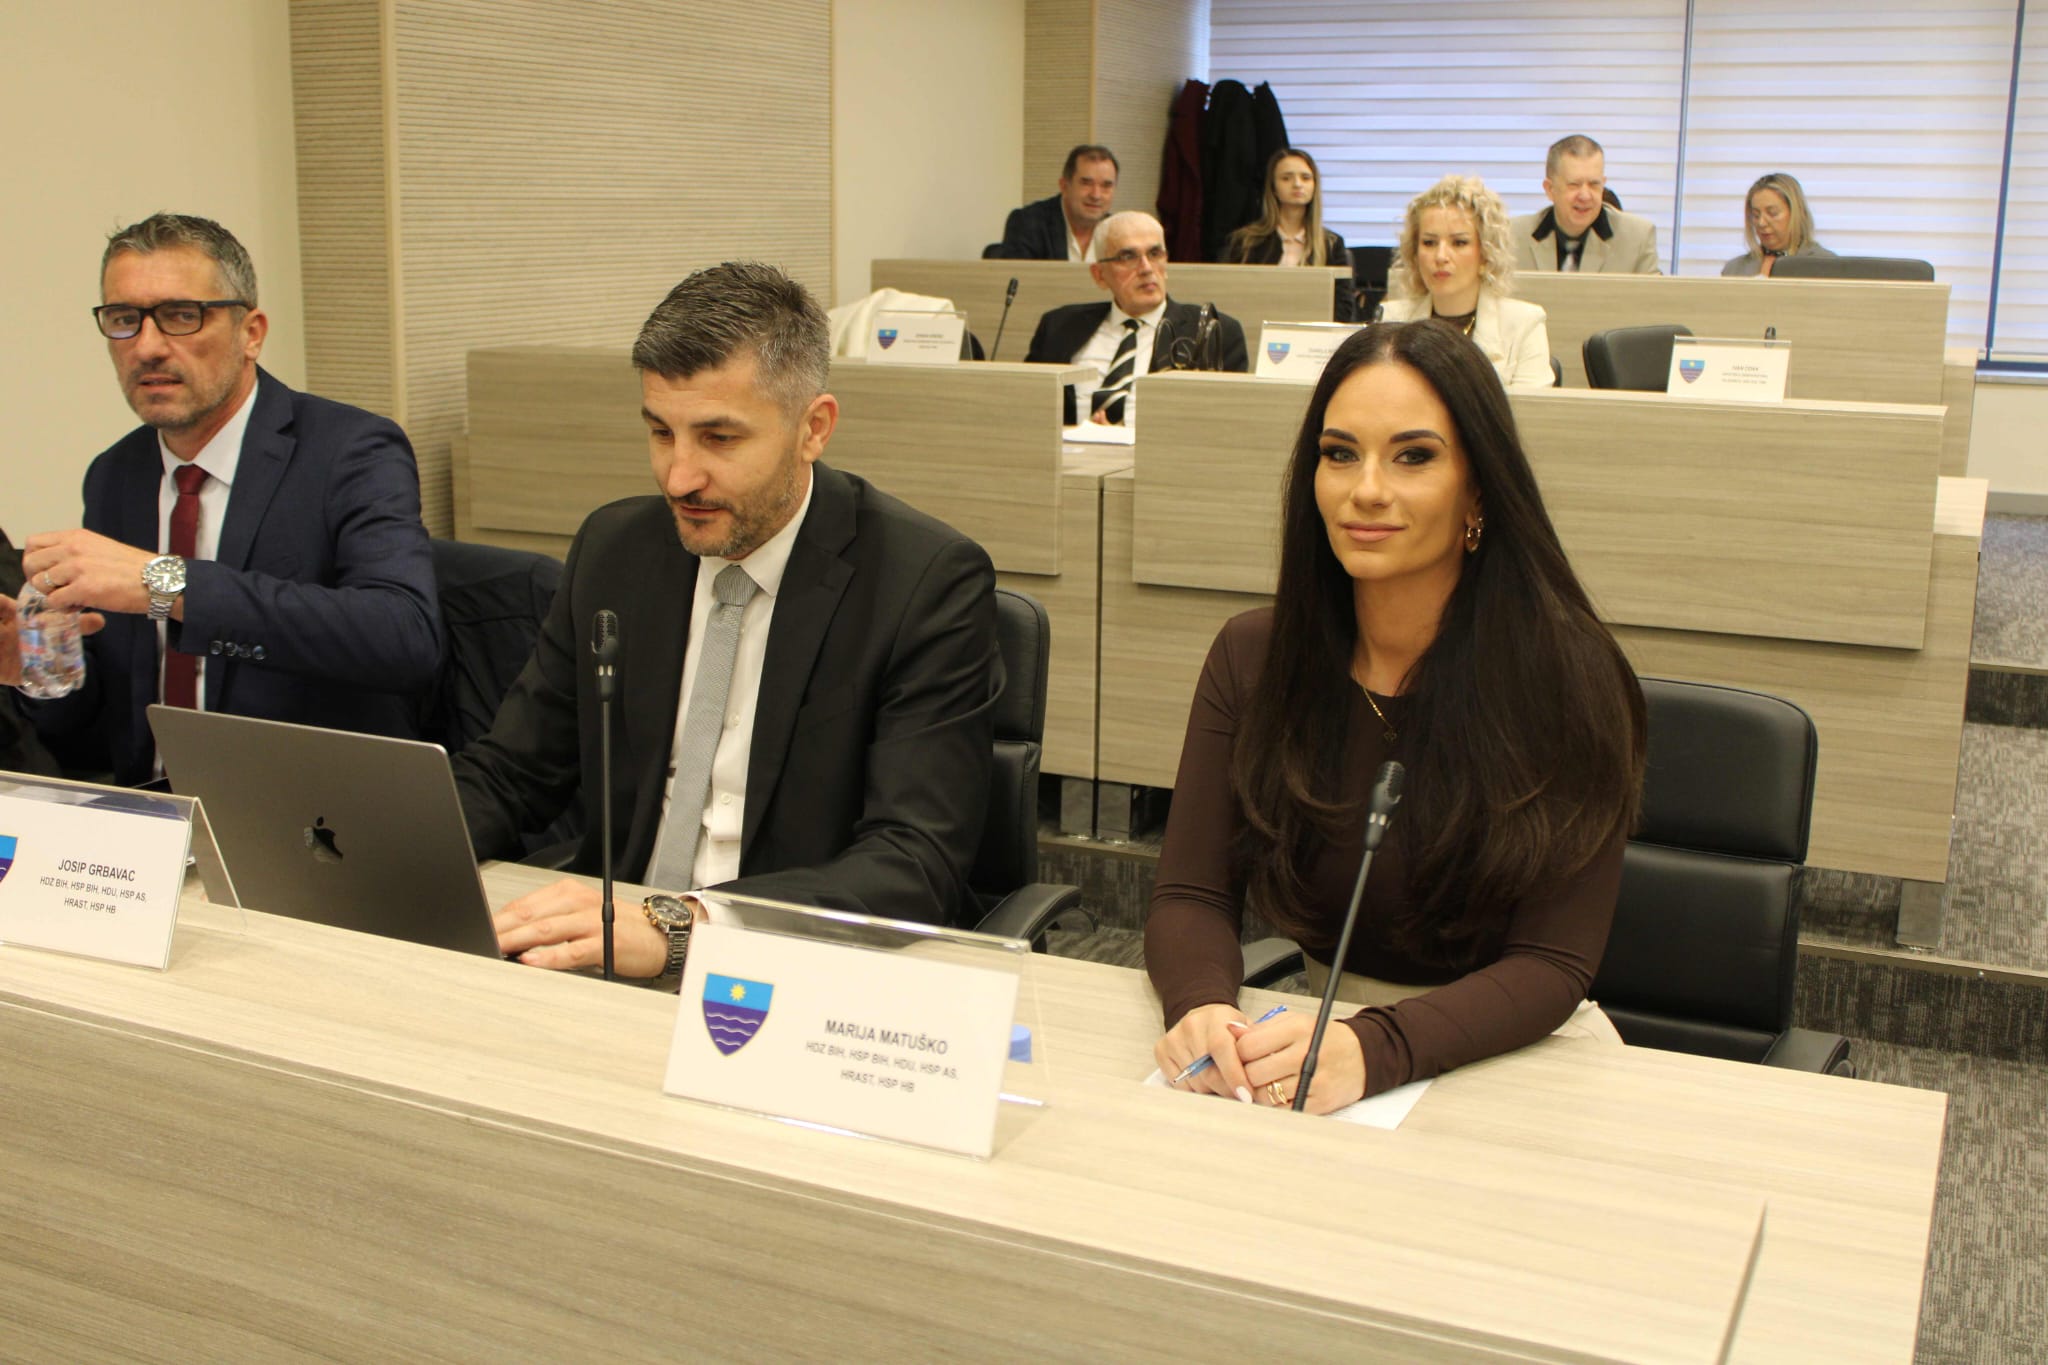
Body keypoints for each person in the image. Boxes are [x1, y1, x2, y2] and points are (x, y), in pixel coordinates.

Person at [1146, 320, 1646, 1112]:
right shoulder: (1253, 657)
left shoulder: (1570, 676)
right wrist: (1201, 1003)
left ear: (1479, 488)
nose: (1367, 489)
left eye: (1413, 456)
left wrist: (1378, 1048)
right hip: (1321, 1047)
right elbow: (1191, 895)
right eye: (1340, 453)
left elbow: (1553, 963)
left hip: (1512, 1057)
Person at [458, 261, 1000, 979]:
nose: (678, 477)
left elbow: (913, 860)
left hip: (799, 967)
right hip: (609, 958)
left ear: (813, 428)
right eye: (661, 432)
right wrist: (387, 841)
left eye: (718, 438)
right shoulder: (615, 550)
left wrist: (683, 927)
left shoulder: (922, 583)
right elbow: (512, 772)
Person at [6, 213, 441, 786]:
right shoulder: (116, 475)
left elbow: (404, 637)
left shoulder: (350, 450)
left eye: (181, 316)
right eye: (124, 320)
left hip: (304, 806)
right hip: (151, 809)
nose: (147, 347)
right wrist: (39, 667)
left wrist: (166, 584)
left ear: (251, 333)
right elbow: (100, 732)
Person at [1022, 211, 1249, 427]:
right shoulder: (1059, 327)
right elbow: (1028, 410)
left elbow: (1223, 424)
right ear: (1099, 275)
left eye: (1154, 254)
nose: (1146, 268)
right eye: (1128, 257)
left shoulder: (1211, 332)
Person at [1378, 175, 1553, 388]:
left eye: (1459, 243)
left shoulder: (1524, 324)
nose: (1441, 256)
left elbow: (1530, 408)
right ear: (1414, 252)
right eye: (1429, 242)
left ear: (1486, 253)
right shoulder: (1390, 320)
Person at [1223, 148, 1357, 320]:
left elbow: (1343, 308)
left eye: (1305, 178)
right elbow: (1232, 298)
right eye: (1286, 178)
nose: (1297, 184)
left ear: (1314, 185)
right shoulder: (1246, 241)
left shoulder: (1331, 243)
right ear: (1273, 187)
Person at [1510, 136, 1662, 275]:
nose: (1585, 196)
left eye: (1594, 184)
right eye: (1574, 184)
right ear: (1550, 189)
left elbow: (1653, 297)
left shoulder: (1638, 238)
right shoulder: (1512, 236)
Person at [986, 145, 1120, 262]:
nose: (1096, 195)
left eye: (1106, 186)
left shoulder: (1119, 233)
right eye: (1086, 183)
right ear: (1064, 186)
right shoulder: (1028, 223)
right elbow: (1021, 281)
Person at [1722, 172, 1835, 277]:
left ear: (1796, 214)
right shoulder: (1734, 269)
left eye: (1772, 213)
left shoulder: (1827, 266)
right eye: (1756, 215)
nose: (1761, 223)